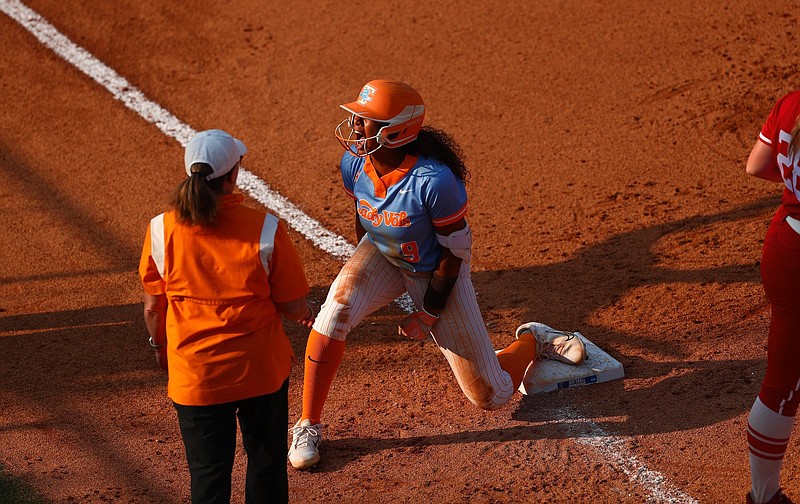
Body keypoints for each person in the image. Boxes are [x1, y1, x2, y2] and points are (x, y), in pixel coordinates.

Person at [287, 80, 587, 470]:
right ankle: (308, 423)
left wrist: (427, 312)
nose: (356, 126)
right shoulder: (354, 165)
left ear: (397, 130)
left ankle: (534, 340)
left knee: (491, 396)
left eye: (367, 121)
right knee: (334, 313)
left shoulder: (435, 182)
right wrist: (364, 275)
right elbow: (364, 219)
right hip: (382, 253)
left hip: (436, 270)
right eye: (358, 118)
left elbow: (454, 254)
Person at [138, 129, 315, 504]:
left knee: (208, 475)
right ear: (234, 175)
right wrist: (303, 313)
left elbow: (154, 306)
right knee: (266, 467)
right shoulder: (265, 230)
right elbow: (294, 305)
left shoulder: (160, 231)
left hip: (195, 377)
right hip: (260, 374)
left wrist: (160, 346)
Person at [743, 91, 800, 504]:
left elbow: (757, 165)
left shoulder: (791, 103)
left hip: (784, 247)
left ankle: (763, 497)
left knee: (782, 381)